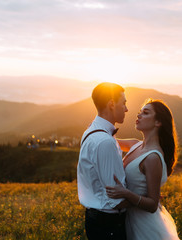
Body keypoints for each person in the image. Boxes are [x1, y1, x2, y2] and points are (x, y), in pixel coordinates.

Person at [106, 99, 180, 240]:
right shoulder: (135, 145)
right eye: (140, 112)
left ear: (158, 122)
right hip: (127, 219)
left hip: (144, 226)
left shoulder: (153, 158)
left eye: (145, 113)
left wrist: (126, 193)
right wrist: (97, 127)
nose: (139, 115)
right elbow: (108, 139)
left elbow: (152, 205)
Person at [77, 82, 129, 240]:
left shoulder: (91, 131)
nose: (126, 109)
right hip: (109, 226)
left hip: (98, 221)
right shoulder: (104, 142)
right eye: (124, 103)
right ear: (112, 104)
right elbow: (117, 200)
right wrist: (146, 199)